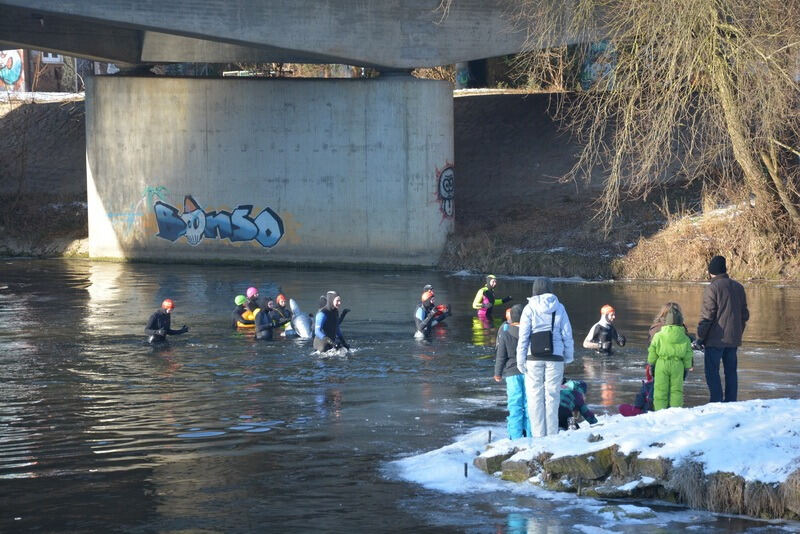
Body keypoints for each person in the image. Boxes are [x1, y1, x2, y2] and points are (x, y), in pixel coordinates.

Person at [516, 277, 574, 438]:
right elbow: (567, 334)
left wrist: (520, 360)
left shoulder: (529, 308)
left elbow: (523, 337)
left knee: (534, 396)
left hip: (533, 356)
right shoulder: (560, 307)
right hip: (555, 357)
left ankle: (538, 436)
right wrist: (568, 356)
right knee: (553, 396)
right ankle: (552, 435)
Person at [696, 255, 749, 403]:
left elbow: (707, 318)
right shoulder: (738, 287)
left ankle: (716, 402)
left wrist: (699, 338)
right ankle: (731, 402)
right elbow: (744, 315)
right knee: (731, 372)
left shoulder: (712, 289)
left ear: (711, 272)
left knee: (712, 372)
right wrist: (738, 332)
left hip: (715, 340)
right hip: (733, 340)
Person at [494, 304, 531, 439]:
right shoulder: (530, 330)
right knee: (529, 405)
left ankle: (515, 437)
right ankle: (530, 435)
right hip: (529, 372)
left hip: (511, 373)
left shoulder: (505, 331)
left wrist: (498, 372)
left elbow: (501, 355)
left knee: (515, 405)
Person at [647, 303, 693, 410]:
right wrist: (687, 367)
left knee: (660, 390)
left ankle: (659, 411)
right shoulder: (685, 337)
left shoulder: (658, 335)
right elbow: (688, 354)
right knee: (676, 390)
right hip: (678, 365)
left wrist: (651, 364)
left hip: (661, 364)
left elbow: (652, 350)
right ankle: (675, 412)